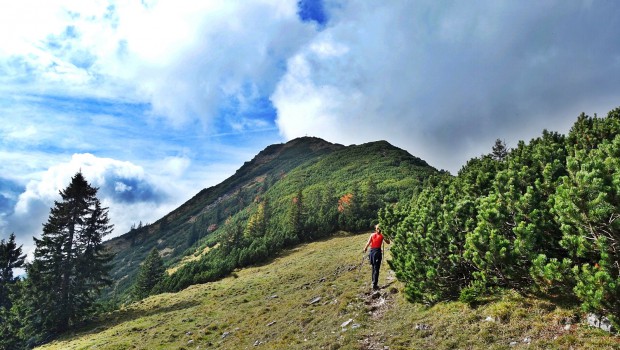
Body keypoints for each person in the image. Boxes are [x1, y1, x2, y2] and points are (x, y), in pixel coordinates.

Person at [363, 224, 390, 290]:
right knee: (375, 268)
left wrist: (365, 248)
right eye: (378, 228)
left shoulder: (375, 235)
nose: (378, 230)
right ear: (376, 229)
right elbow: (388, 242)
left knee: (374, 267)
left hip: (372, 252)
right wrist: (365, 248)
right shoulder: (377, 235)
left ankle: (373, 283)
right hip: (375, 252)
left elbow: (388, 242)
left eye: (379, 228)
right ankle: (374, 284)